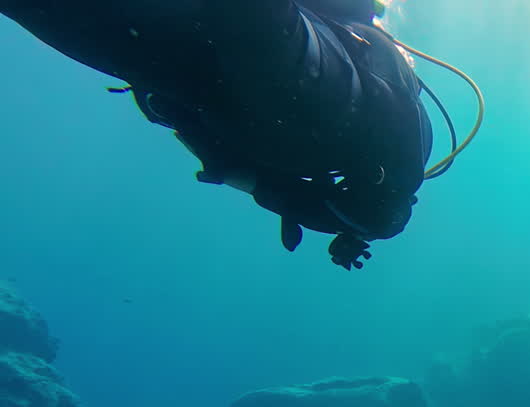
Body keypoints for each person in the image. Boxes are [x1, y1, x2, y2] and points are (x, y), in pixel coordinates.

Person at [1, 0, 435, 269]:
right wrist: (261, 185)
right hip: (219, 92)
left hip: (266, 89)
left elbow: (384, 215)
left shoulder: (377, 63)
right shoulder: (385, 87)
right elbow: (382, 216)